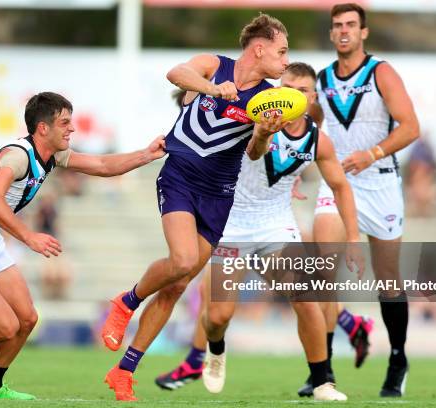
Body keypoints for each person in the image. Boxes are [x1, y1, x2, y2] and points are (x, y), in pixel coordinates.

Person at [0, 92, 166, 400]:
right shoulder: (17, 156)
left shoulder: (52, 156)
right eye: (64, 122)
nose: (71, 129)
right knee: (6, 327)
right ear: (42, 128)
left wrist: (147, 154)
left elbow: (102, 165)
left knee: (27, 320)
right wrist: (29, 236)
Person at [100, 14, 290, 401]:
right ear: (260, 48)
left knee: (178, 285)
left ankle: (124, 370)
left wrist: (265, 134)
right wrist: (212, 88)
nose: (286, 61)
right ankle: (126, 301)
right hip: (180, 177)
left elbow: (254, 153)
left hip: (219, 194)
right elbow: (176, 73)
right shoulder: (213, 65)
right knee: (183, 259)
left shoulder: (269, 98)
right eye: (282, 51)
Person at [156, 67, 370, 397]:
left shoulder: (317, 140)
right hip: (230, 225)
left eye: (302, 90)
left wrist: (354, 238)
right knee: (217, 316)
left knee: (306, 298)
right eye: (287, 87)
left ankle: (323, 380)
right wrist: (260, 134)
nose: (294, 95)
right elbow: (252, 151)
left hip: (275, 225)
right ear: (274, 90)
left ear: (312, 97)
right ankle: (215, 348)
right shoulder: (250, 119)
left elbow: (340, 186)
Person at [308, 3, 420, 398]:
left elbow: (411, 127)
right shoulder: (320, 80)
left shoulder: (381, 72)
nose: (343, 31)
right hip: (338, 185)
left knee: (388, 283)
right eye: (337, 25)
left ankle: (397, 358)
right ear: (331, 32)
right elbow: (306, 134)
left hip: (381, 183)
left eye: (351, 25)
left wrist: (371, 154)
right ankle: (322, 372)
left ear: (364, 33)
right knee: (321, 269)